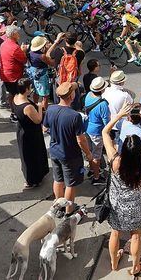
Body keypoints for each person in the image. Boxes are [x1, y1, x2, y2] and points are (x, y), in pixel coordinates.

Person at [101, 103, 141, 276]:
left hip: (117, 204)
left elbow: (105, 133)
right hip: (135, 206)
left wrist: (118, 116)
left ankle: (114, 263)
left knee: (115, 233)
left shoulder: (116, 161)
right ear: (138, 150)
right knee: (136, 236)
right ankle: (135, 266)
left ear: (123, 148)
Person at [42, 81, 92, 214]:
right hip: (70, 154)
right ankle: (69, 210)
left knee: (58, 179)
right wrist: (88, 154)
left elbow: (45, 128)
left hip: (54, 150)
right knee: (70, 184)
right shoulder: (74, 116)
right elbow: (81, 140)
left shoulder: (50, 109)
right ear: (71, 96)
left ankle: (58, 207)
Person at [12, 78, 49, 189]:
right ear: (26, 89)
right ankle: (33, 179)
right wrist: (40, 107)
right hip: (30, 134)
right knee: (33, 156)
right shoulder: (27, 107)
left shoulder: (15, 97)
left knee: (26, 155)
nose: (32, 89)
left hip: (22, 130)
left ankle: (32, 176)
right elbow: (38, 120)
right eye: (30, 87)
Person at [84, 76, 110, 185]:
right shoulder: (103, 104)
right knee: (96, 156)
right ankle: (96, 177)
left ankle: (91, 170)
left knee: (90, 152)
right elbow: (106, 122)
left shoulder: (88, 95)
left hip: (87, 128)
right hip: (97, 132)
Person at [28, 33, 64, 110]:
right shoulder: (42, 56)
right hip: (42, 75)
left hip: (34, 73)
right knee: (45, 94)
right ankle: (45, 109)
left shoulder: (31, 53)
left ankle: (35, 105)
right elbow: (51, 63)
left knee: (35, 90)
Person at [0, 24, 29, 111]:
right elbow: (24, 60)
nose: (19, 35)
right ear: (12, 34)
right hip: (14, 76)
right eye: (17, 33)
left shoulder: (3, 44)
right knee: (16, 94)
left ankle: (13, 111)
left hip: (5, 74)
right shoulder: (15, 48)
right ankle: (15, 112)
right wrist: (23, 51)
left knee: (11, 93)